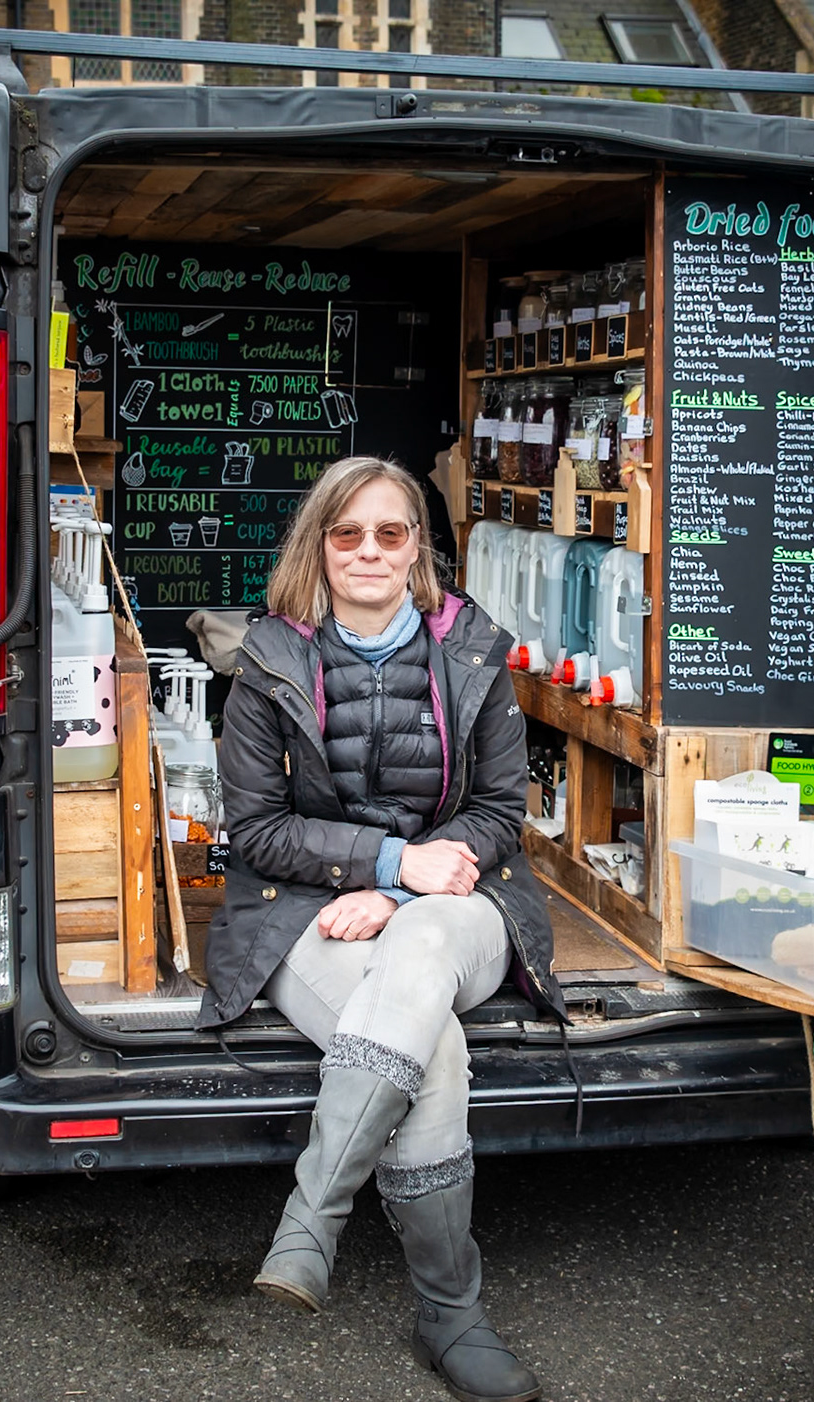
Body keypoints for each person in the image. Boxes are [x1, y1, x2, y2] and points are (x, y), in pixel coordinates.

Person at [198, 456, 560, 1402]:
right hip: (302, 915)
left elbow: (498, 811)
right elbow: (260, 833)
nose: (368, 550)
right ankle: (452, 1313)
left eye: (390, 533)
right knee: (431, 1048)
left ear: (417, 549)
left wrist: (404, 895)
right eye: (347, 532)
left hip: (460, 908)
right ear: (319, 544)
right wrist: (390, 865)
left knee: (429, 944)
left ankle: (313, 1214)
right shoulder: (268, 664)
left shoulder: (474, 651)